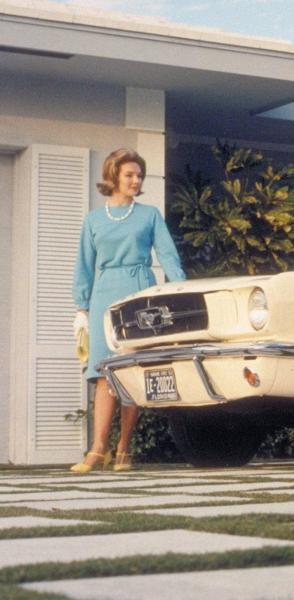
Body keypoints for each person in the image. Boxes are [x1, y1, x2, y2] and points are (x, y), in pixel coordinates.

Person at [70, 148, 186, 472]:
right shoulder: (93, 220)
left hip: (139, 293)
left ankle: (124, 449)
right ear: (113, 177)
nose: (136, 181)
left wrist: (180, 289)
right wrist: (81, 308)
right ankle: (96, 450)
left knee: (131, 371)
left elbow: (168, 255)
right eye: (129, 175)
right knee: (103, 373)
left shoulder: (149, 215)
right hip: (102, 297)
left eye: (139, 176)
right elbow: (83, 265)